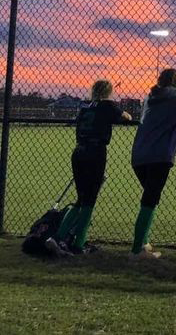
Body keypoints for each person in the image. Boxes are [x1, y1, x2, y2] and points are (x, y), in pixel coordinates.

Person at [45, 80, 131, 256]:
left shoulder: (85, 106)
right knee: (89, 200)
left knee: (81, 198)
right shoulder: (108, 105)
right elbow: (126, 117)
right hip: (95, 152)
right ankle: (78, 243)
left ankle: (58, 237)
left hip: (79, 151)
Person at [129, 68, 176, 260]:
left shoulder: (150, 96)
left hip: (139, 153)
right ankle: (137, 250)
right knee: (150, 200)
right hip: (160, 154)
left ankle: (143, 242)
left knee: (150, 198)